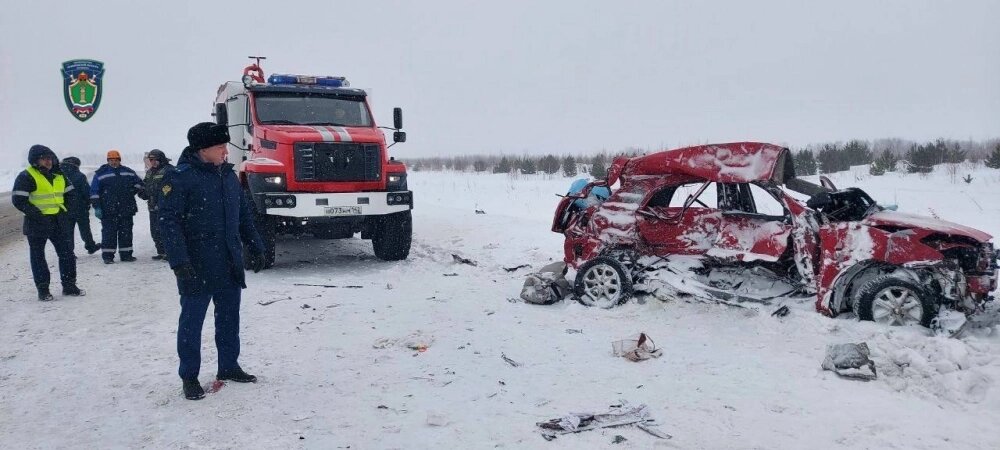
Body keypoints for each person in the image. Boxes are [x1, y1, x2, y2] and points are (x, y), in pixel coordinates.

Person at [159, 122, 266, 400]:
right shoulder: (179, 178)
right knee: (192, 323)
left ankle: (228, 366)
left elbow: (243, 216)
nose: (225, 151)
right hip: (197, 265)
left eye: (225, 146)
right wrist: (179, 261)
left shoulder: (228, 177)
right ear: (202, 149)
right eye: (220, 147)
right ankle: (189, 376)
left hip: (229, 262)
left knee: (229, 318)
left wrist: (255, 245)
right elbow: (169, 224)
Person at [11, 145, 85, 301]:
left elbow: (71, 194)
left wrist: (67, 212)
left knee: (67, 254)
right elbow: (19, 200)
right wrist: (37, 215)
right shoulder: (26, 176)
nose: (48, 161)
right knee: (38, 258)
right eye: (44, 158)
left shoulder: (60, 175)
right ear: (35, 160)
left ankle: (69, 285)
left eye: (50, 158)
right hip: (36, 223)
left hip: (58, 221)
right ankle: (43, 290)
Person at [90, 149, 145, 263]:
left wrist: (132, 190)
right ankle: (108, 256)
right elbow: (94, 192)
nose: (113, 162)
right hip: (108, 210)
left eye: (116, 160)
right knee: (109, 234)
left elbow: (139, 183)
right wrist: (97, 207)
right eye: (111, 160)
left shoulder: (128, 171)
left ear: (119, 160)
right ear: (107, 161)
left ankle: (126, 255)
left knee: (126, 233)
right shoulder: (100, 174)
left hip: (126, 208)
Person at [59, 157, 101, 254]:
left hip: (64, 208)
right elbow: (86, 192)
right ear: (76, 165)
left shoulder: (58, 175)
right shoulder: (79, 176)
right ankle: (90, 246)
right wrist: (88, 202)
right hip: (80, 207)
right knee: (85, 228)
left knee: (68, 231)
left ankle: (69, 252)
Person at [142, 149, 175, 260]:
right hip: (152, 207)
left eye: (153, 160)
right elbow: (145, 185)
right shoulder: (150, 172)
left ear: (160, 159)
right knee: (155, 231)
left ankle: (169, 252)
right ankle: (161, 252)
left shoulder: (169, 171)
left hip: (165, 207)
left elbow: (172, 188)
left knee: (166, 231)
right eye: (150, 160)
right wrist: (143, 192)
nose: (151, 162)